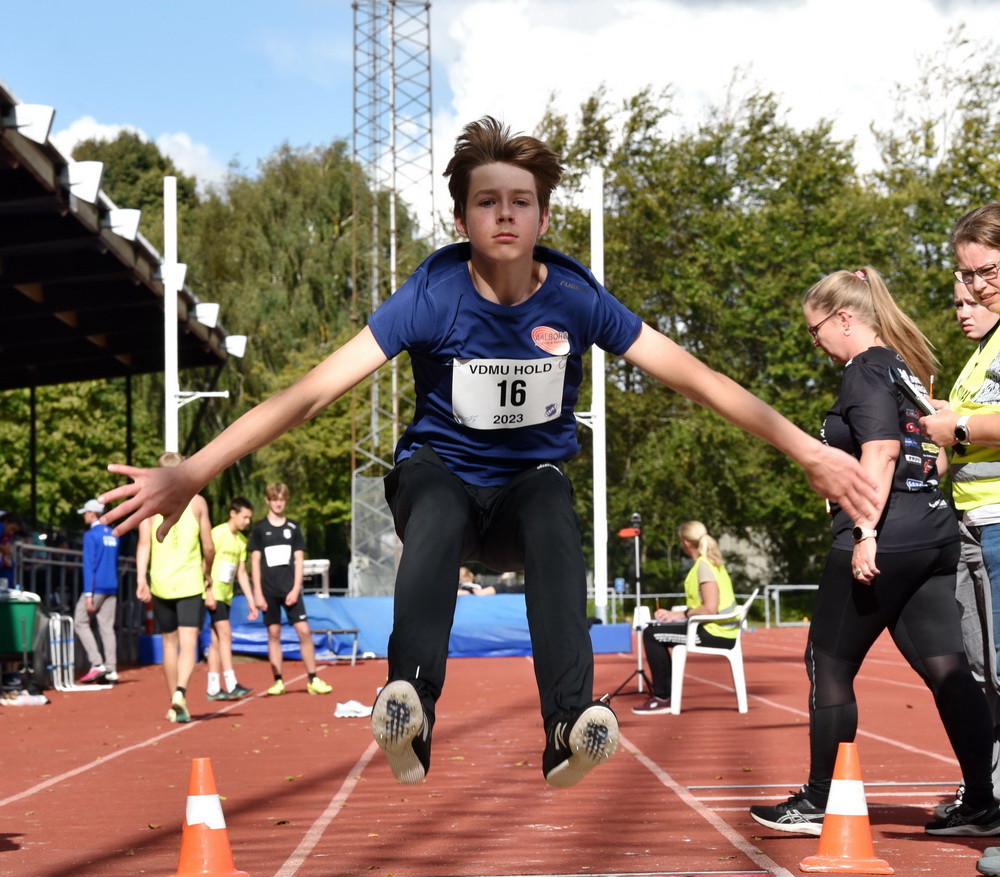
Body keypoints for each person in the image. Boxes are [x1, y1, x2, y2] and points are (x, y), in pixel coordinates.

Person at [99, 116, 877, 789]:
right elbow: (310, 393)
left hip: (520, 494)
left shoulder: (574, 299)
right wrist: (193, 469)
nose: (504, 215)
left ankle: (569, 723)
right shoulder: (433, 295)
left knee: (552, 507)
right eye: (487, 202)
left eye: (520, 202)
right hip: (440, 476)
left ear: (541, 216)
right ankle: (409, 702)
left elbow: (698, 378)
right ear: (463, 216)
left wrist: (806, 449)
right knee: (433, 504)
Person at [750, 266, 1000, 838]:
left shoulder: (863, 369)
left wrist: (865, 530)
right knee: (947, 669)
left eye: (815, 332)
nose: (815, 344)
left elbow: (882, 452)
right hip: (933, 530)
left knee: (829, 663)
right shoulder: (904, 368)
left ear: (844, 318)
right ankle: (984, 802)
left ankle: (819, 800)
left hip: (888, 534)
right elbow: (926, 453)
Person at [920, 210, 1000, 813]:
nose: (973, 290)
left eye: (986, 272)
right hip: (976, 524)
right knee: (984, 669)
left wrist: (958, 425)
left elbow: (972, 431)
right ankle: (990, 797)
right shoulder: (981, 354)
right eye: (965, 276)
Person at [135, 452, 215, 724]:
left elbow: (143, 543)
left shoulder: (150, 503)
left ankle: (174, 702)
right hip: (190, 582)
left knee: (169, 643)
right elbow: (208, 545)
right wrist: (208, 571)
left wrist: (141, 579)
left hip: (161, 582)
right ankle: (181, 691)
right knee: (188, 641)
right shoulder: (197, 503)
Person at [632, 521, 738, 716]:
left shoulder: (704, 566)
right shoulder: (710, 563)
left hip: (715, 633)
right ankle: (668, 694)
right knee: (657, 631)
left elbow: (710, 608)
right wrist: (676, 616)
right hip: (718, 629)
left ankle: (663, 697)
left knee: (652, 634)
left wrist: (679, 615)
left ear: (685, 542)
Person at [249, 482, 331, 697]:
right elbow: (255, 562)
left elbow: (299, 560)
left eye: (282, 499)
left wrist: (296, 588)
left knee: (303, 631)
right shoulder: (259, 529)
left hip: (290, 589)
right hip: (268, 590)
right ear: (267, 500)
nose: (278, 503)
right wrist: (257, 592)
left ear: (286, 500)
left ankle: (313, 679)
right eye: (274, 499)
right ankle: (278, 680)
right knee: (273, 633)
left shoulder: (293, 528)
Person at [205, 497, 257, 701]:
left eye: (249, 519)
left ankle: (212, 687)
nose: (247, 522)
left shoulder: (241, 541)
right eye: (244, 517)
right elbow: (204, 561)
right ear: (232, 514)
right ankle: (231, 682)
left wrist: (251, 601)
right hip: (213, 591)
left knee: (217, 640)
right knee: (225, 633)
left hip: (226, 594)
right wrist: (208, 590)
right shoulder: (217, 534)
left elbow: (241, 573)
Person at [74, 499, 120, 684]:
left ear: (93, 513)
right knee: (107, 627)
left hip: (97, 586)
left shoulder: (90, 535)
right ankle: (111, 669)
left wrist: (88, 594)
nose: (84, 515)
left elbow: (89, 566)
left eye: (86, 512)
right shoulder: (114, 534)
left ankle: (96, 663)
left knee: (80, 621)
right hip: (111, 585)